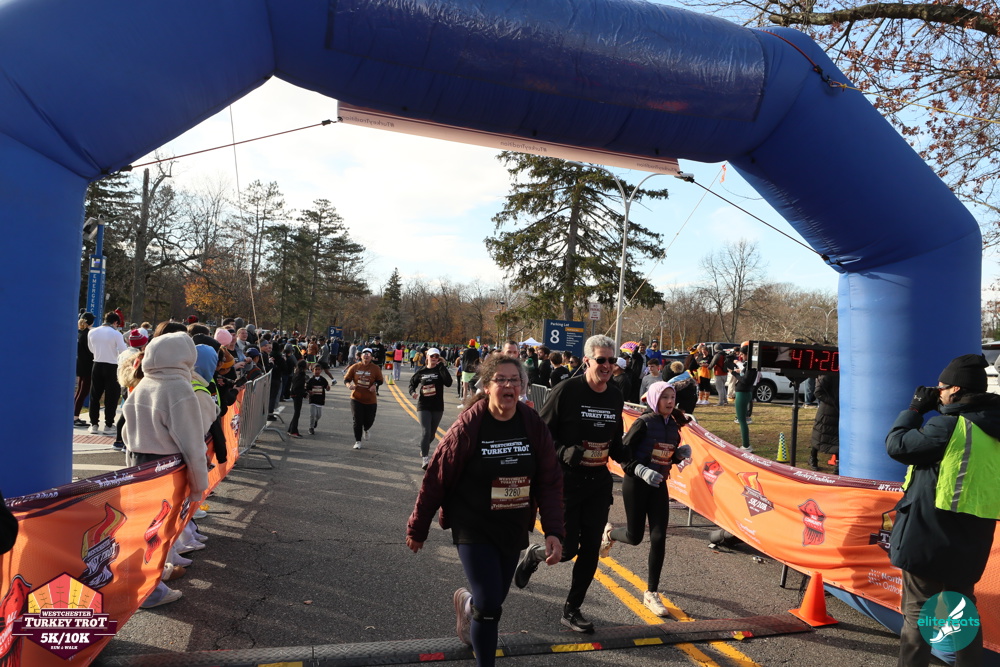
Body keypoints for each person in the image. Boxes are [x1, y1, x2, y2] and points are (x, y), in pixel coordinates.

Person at [406, 354, 564, 666]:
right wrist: (418, 527)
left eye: (514, 380)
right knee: (491, 606)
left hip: (512, 524)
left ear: (522, 386)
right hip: (473, 523)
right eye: (501, 379)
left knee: (492, 600)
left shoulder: (532, 424)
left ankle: (468, 607)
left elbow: (549, 480)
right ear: (488, 386)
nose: (509, 385)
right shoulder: (469, 425)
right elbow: (436, 478)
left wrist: (554, 530)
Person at [886, 354, 1000, 666]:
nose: (937, 392)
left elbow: (897, 445)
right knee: (961, 612)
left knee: (919, 613)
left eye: (941, 387)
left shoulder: (948, 426)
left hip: (929, 533)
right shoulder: (990, 426)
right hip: (973, 537)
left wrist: (914, 410)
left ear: (956, 389)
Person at [514, 334, 625, 634]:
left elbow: (616, 441)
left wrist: (637, 460)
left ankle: (572, 609)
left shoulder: (615, 395)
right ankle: (534, 554)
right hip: (566, 483)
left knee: (590, 549)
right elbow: (540, 433)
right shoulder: (566, 390)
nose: (607, 365)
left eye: (611, 360)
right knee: (566, 550)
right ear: (587, 361)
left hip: (598, 484)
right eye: (601, 360)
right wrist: (563, 451)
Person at [600, 382, 691, 616]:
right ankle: (610, 535)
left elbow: (664, 457)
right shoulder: (643, 423)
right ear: (653, 400)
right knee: (635, 536)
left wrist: (678, 457)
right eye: (664, 397)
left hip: (658, 485)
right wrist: (641, 470)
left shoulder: (674, 426)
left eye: (672, 397)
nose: (669, 402)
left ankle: (651, 593)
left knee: (659, 537)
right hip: (636, 484)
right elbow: (623, 456)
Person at [409, 348, 453, 469]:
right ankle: (425, 459)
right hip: (423, 405)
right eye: (432, 356)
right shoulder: (421, 371)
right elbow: (412, 383)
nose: (434, 358)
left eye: (436, 356)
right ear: (427, 356)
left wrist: (442, 367)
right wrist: (413, 392)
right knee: (426, 432)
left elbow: (448, 383)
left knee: (432, 434)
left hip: (437, 406)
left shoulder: (440, 369)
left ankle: (424, 447)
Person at [88, 311, 127, 435]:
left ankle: (94, 424)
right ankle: (109, 424)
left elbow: (91, 349)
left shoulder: (92, 331)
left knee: (95, 395)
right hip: (112, 365)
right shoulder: (116, 333)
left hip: (97, 363)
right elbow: (123, 350)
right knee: (112, 397)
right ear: (115, 322)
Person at [345, 348, 384, 449]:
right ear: (361, 356)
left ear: (371, 357)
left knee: (369, 420)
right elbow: (347, 379)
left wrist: (374, 385)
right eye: (364, 354)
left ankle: (366, 429)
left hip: (370, 399)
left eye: (368, 354)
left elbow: (380, 380)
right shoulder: (354, 367)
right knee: (357, 420)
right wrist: (349, 385)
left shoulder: (375, 368)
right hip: (356, 398)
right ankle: (358, 441)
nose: (366, 356)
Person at [808, 373, 840, 472]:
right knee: (819, 435)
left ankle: (838, 463)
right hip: (826, 411)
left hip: (838, 411)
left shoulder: (845, 374)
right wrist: (833, 402)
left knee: (837, 437)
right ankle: (813, 458)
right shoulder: (827, 375)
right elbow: (818, 392)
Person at [731, 344, 758, 451]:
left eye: (742, 354)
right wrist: (739, 372)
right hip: (744, 392)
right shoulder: (750, 364)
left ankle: (746, 445)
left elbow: (745, 380)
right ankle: (746, 445)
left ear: (747, 354)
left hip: (743, 393)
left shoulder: (751, 365)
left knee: (742, 420)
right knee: (742, 420)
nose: (741, 356)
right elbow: (746, 377)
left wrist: (734, 373)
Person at [74, 313, 95, 427]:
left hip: (80, 364)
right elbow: (91, 351)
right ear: (90, 322)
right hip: (87, 365)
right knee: (83, 392)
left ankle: (73, 414)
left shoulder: (79, 333)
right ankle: (75, 416)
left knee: (79, 391)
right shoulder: (88, 334)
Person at [305, 363, 330, 435]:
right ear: (313, 370)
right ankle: (311, 427)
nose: (317, 371)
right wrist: (309, 392)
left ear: (321, 371)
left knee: (319, 415)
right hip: (313, 399)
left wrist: (328, 388)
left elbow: (327, 388)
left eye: (319, 370)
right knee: (312, 414)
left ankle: (316, 421)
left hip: (320, 399)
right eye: (316, 369)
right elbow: (307, 388)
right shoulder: (310, 380)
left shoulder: (323, 380)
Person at [287, 359, 307, 438]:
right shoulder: (301, 375)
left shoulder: (297, 373)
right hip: (297, 395)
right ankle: (293, 431)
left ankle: (290, 429)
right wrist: (304, 394)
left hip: (294, 394)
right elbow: (297, 387)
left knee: (296, 413)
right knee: (297, 413)